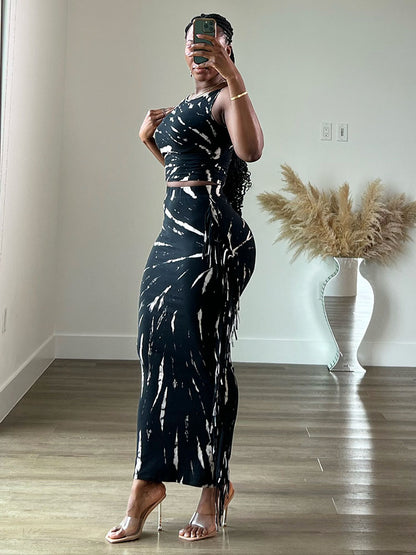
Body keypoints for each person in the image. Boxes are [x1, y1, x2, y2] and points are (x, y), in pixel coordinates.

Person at [106, 12, 263, 544]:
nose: (200, 57)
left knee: (204, 359)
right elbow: (186, 174)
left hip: (212, 242)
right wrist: (149, 141)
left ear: (227, 49)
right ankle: (148, 480)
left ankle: (212, 487)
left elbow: (249, 152)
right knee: (157, 354)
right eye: (193, 49)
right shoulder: (186, 105)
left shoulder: (227, 97)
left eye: (210, 48)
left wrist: (233, 76)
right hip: (173, 239)